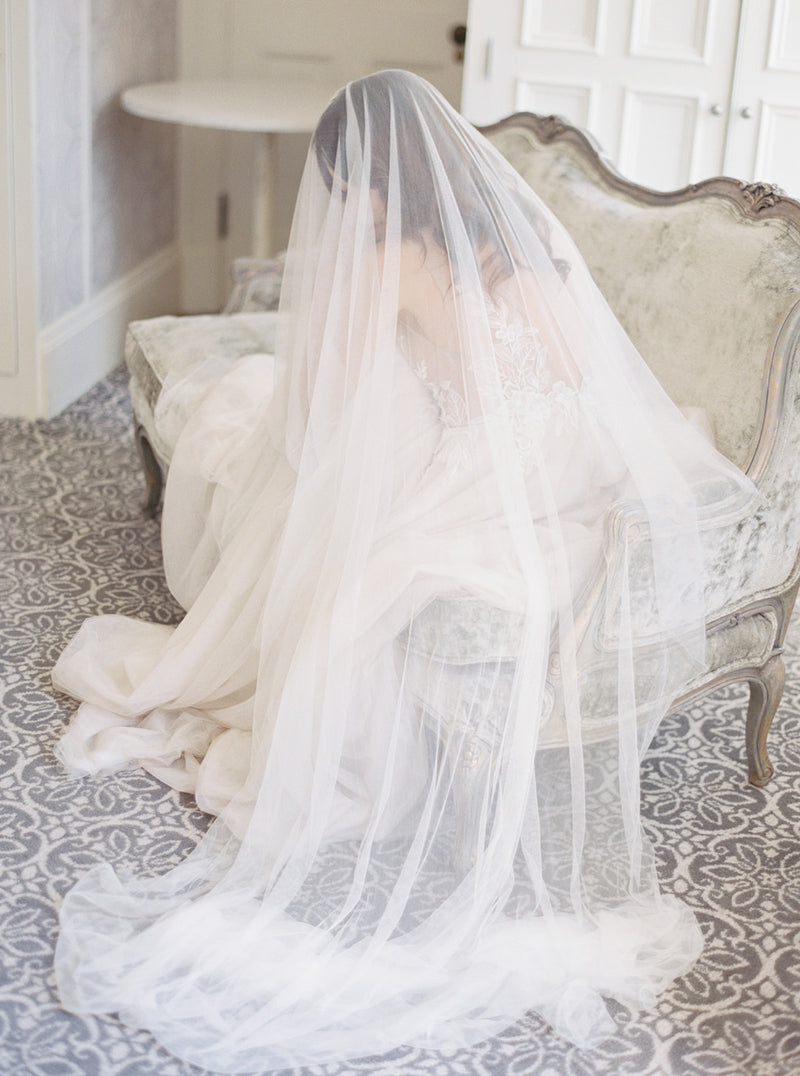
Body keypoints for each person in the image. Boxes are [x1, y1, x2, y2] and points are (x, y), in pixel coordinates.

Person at [52, 71, 754, 1073]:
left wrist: (422, 401)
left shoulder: (384, 258)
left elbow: (319, 402)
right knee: (370, 549)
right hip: (576, 458)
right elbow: (577, 379)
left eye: (341, 181)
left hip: (484, 465)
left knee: (350, 571)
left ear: (363, 179)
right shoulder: (521, 235)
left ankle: (341, 768)